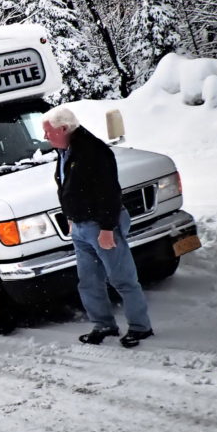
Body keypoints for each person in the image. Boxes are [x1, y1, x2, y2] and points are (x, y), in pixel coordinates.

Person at [43, 106, 154, 348]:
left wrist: (106, 228)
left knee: (122, 278)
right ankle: (103, 324)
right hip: (81, 226)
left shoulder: (92, 150)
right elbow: (69, 188)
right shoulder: (66, 150)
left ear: (63, 129)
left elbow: (109, 193)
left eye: (48, 132)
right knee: (89, 281)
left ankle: (140, 327)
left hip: (101, 225)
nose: (45, 137)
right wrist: (71, 217)